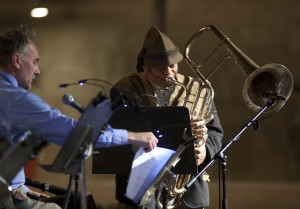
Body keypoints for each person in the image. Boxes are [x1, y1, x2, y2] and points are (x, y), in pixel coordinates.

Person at [0, 27, 158, 209]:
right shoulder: (16, 99)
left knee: (79, 201)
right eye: (35, 62)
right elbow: (76, 134)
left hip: (12, 190)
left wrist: (22, 189)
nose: (37, 71)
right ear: (17, 61)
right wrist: (134, 137)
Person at [111, 26, 223, 209]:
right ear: (146, 67)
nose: (169, 73)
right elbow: (119, 133)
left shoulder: (198, 89)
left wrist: (205, 150)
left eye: (172, 66)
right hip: (140, 188)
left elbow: (215, 132)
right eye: (161, 68)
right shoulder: (126, 89)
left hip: (189, 190)